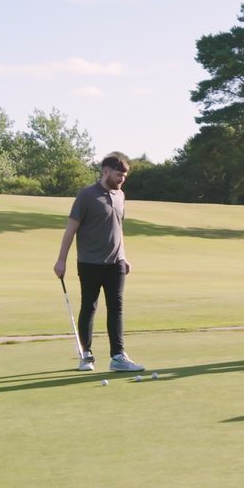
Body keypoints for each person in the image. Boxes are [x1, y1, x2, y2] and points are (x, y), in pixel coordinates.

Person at [53, 153, 144, 372]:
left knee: (116, 308)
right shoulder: (87, 195)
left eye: (124, 175)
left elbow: (117, 229)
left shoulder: (120, 195)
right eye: (118, 174)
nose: (122, 179)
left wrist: (124, 255)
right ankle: (86, 356)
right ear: (105, 171)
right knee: (89, 307)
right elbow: (70, 230)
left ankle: (118, 357)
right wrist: (61, 260)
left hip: (116, 263)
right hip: (90, 262)